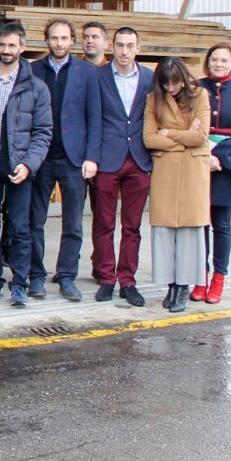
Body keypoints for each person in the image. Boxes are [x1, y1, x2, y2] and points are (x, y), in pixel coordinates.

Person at [0, 23, 53, 306]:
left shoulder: (36, 86)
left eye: (12, 46)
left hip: (19, 165)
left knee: (20, 228)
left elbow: (43, 132)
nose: (6, 50)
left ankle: (19, 283)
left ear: (22, 48)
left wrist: (29, 164)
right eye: (2, 45)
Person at [28, 19, 96, 302]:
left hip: (73, 158)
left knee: (73, 223)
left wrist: (91, 156)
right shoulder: (32, 70)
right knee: (34, 221)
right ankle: (36, 276)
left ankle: (67, 276)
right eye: (54, 38)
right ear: (46, 40)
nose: (59, 43)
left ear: (73, 41)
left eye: (64, 38)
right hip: (40, 157)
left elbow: (95, 118)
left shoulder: (87, 73)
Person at [89, 27, 153, 307]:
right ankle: (106, 278)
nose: (124, 51)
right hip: (106, 159)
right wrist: (91, 157)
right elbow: (92, 118)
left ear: (138, 48)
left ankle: (127, 280)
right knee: (103, 222)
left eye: (130, 46)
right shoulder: (98, 76)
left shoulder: (150, 78)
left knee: (132, 225)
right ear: (111, 47)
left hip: (138, 159)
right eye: (120, 45)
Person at [142, 58, 211, 313]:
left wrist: (169, 133)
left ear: (184, 78)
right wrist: (185, 136)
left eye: (175, 82)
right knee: (164, 228)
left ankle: (184, 286)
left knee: (190, 230)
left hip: (193, 169)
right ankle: (170, 284)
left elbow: (201, 136)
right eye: (166, 83)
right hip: (166, 170)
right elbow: (149, 139)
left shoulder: (200, 95)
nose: (171, 88)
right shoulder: (153, 99)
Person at [194, 43, 231, 304]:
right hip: (197, 160)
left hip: (225, 166)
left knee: (221, 224)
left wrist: (218, 158)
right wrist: (204, 153)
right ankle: (200, 276)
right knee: (198, 224)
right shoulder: (197, 88)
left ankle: (218, 278)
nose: (218, 64)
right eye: (214, 59)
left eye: (223, 60)